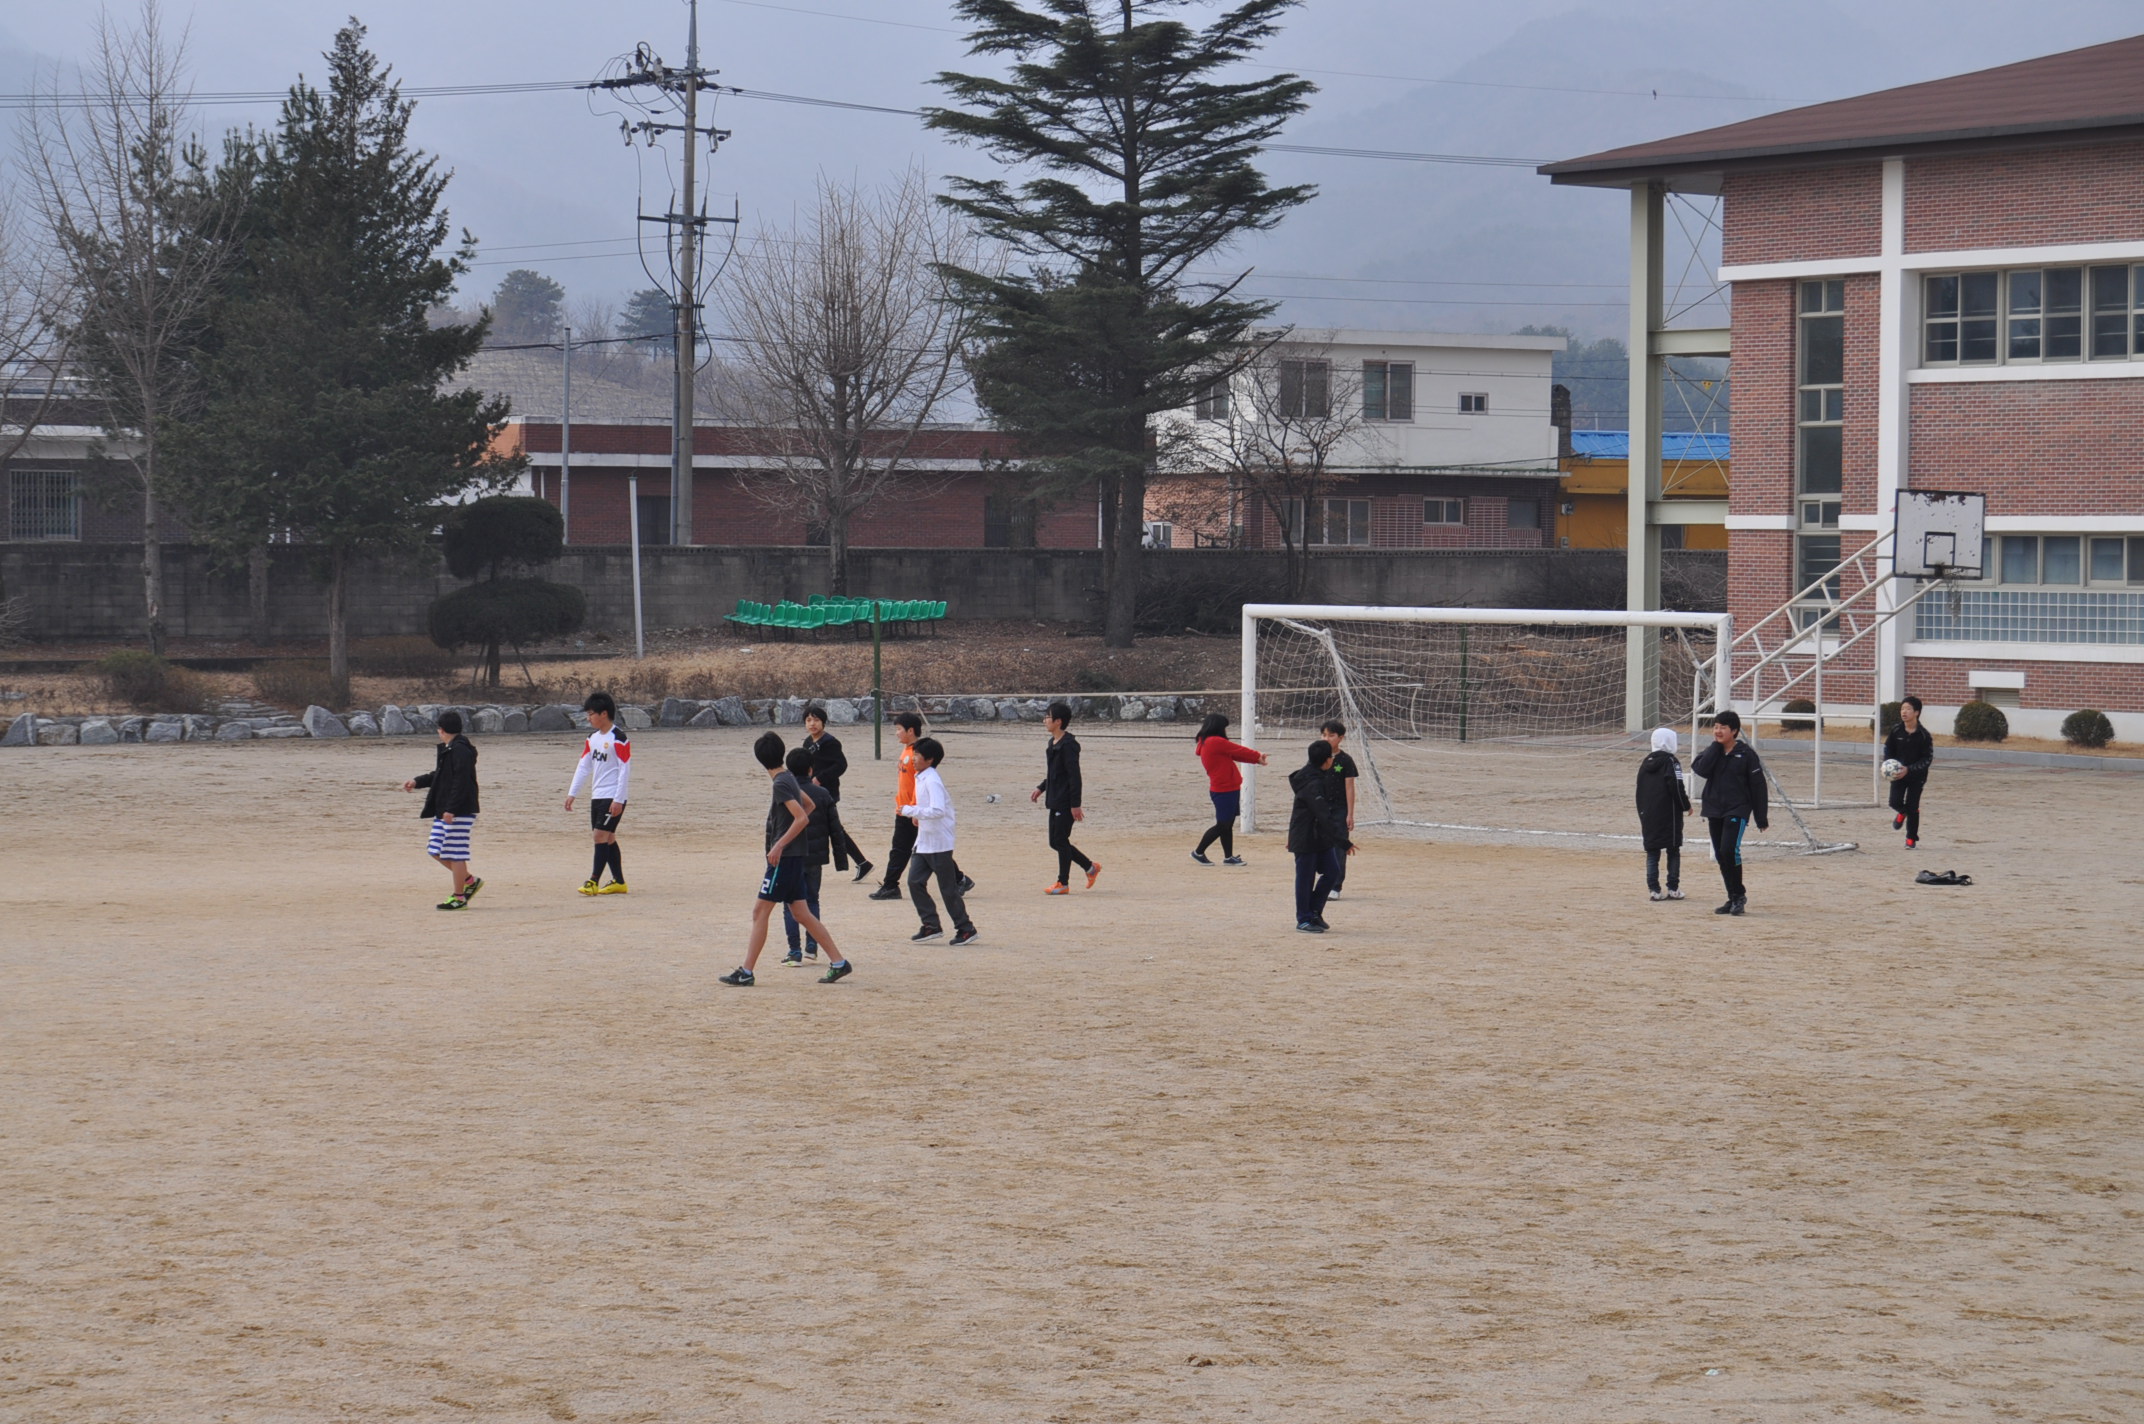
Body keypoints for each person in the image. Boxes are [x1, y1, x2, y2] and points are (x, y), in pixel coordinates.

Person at [719, 732, 852, 986]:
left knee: (760, 912)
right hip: (795, 857)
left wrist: (779, 844)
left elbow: (802, 817)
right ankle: (839, 962)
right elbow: (809, 806)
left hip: (786, 859)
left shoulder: (780, 782)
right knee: (802, 913)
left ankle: (746, 972)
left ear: (760, 760)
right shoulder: (788, 776)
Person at [1690, 709, 1769, 916]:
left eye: (1722, 728)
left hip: (1737, 809)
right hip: (1714, 808)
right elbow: (1701, 769)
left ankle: (1739, 896)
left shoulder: (1747, 755)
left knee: (1729, 850)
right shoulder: (1713, 751)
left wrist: (1761, 816)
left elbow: (1758, 786)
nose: (1717, 731)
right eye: (1715, 727)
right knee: (1720, 855)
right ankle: (1732, 897)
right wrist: (1716, 748)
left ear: (1734, 731)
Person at [402, 709, 482, 910]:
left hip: (459, 811)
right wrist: (417, 781)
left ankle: (459, 897)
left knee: (455, 853)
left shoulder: (461, 750)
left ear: (441, 730)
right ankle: (470, 881)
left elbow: (461, 782)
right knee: (434, 849)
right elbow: (439, 776)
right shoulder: (449, 749)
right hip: (446, 809)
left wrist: (452, 809)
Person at [901, 737, 978, 945]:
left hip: (939, 843)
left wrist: (910, 811)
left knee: (947, 888)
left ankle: (965, 928)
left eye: (916, 755)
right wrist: (918, 816)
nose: (913, 759)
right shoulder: (922, 777)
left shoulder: (932, 779)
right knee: (914, 881)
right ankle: (931, 925)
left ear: (929, 759)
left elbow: (937, 810)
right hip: (924, 841)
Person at [564, 690, 632, 895]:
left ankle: (593, 881)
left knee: (599, 836)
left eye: (591, 713)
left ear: (604, 714)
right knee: (608, 837)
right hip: (597, 795)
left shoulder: (619, 738)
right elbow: (584, 766)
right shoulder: (592, 738)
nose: (588, 718)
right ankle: (619, 881)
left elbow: (625, 769)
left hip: (613, 795)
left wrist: (619, 799)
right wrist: (572, 793)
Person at [1286, 739, 1354, 933]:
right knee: (1305, 878)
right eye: (1331, 757)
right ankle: (1304, 919)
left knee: (1332, 871)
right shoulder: (1311, 783)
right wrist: (1344, 842)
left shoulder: (1318, 775)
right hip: (1306, 838)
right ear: (1326, 760)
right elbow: (1323, 815)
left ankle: (1315, 911)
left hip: (1320, 837)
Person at [1032, 700, 1099, 894]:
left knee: (1060, 841)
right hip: (1054, 798)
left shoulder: (1069, 745)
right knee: (1055, 842)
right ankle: (1090, 867)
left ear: (1058, 721)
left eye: (1048, 717)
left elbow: (1074, 776)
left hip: (1066, 800)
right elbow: (1054, 772)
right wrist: (1041, 788)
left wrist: (1075, 805)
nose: (1044, 720)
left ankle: (1063, 883)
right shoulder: (1052, 743)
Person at [802, 705, 871, 881]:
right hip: (811, 791)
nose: (812, 724)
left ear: (823, 722)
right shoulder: (808, 743)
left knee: (830, 828)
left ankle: (861, 863)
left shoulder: (831, 742)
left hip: (827, 792)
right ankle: (862, 863)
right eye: (809, 720)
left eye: (816, 720)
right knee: (833, 828)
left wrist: (820, 778)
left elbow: (841, 765)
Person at [781, 747, 835, 965]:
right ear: (811, 770)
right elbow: (835, 828)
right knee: (812, 900)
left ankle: (794, 950)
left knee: (790, 904)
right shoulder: (823, 794)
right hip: (815, 857)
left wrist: (772, 850)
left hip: (792, 855)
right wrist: (840, 858)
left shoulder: (785, 792)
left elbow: (774, 826)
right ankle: (812, 946)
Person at [1193, 712, 1265, 866]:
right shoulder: (1214, 741)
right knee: (1223, 825)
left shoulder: (1208, 742)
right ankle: (1198, 852)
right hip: (1223, 789)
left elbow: (1235, 755)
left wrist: (1256, 760)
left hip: (1227, 788)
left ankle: (1228, 857)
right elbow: (1238, 750)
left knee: (1227, 824)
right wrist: (1257, 755)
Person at [869, 713, 926, 902]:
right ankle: (960, 879)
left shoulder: (917, 755)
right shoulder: (907, 751)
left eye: (899, 729)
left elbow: (920, 784)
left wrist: (915, 809)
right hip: (904, 809)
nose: (896, 733)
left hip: (911, 811)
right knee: (926, 849)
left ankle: (890, 885)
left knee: (902, 849)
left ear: (910, 731)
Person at [1635, 726, 1692, 901]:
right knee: (1673, 850)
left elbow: (1639, 790)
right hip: (1669, 814)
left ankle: (1654, 890)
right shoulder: (1671, 762)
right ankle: (1673, 888)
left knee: (1652, 851)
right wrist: (1685, 805)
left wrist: (1643, 812)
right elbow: (1676, 785)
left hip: (1649, 814)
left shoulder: (1645, 763)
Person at [1883, 694, 1934, 849]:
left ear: (1916, 712)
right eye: (1902, 709)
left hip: (1916, 776)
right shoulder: (1896, 730)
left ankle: (1911, 839)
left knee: (1913, 807)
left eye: (1908, 709)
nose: (1904, 712)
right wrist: (1889, 764)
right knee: (1894, 802)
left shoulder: (1924, 735)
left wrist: (1910, 769)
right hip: (1898, 774)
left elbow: (1927, 759)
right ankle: (1901, 813)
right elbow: (1888, 749)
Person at [1320, 720, 1360, 897]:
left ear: (1341, 738)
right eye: (1324, 735)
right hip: (1320, 807)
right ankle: (1322, 880)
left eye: (1331, 735)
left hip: (1339, 809)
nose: (1327, 739)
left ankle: (1336, 886)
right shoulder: (1317, 756)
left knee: (1339, 845)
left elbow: (1349, 787)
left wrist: (1350, 814)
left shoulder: (1345, 760)